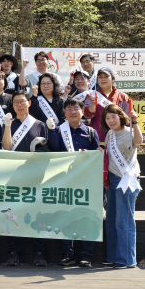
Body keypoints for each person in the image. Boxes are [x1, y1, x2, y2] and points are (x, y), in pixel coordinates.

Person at [2, 90, 59, 266]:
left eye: (22, 101)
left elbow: (53, 149)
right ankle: (13, 252)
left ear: (29, 103)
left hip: (36, 176)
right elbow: (6, 147)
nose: (19, 104)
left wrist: (52, 130)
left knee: (37, 214)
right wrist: (7, 127)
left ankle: (39, 252)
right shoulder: (8, 123)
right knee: (13, 213)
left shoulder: (40, 124)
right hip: (14, 176)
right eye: (16, 102)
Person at [55, 97, 103, 267]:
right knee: (65, 216)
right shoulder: (59, 131)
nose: (72, 111)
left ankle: (86, 255)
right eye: (68, 109)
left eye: (75, 108)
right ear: (64, 113)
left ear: (82, 112)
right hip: (65, 181)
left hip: (86, 182)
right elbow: (53, 154)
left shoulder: (91, 132)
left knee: (87, 216)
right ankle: (68, 254)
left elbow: (96, 159)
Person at [101, 104, 142, 269]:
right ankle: (113, 256)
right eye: (107, 117)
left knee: (123, 220)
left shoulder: (129, 131)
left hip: (126, 180)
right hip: (112, 179)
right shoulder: (110, 133)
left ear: (120, 116)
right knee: (111, 219)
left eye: (113, 116)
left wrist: (136, 122)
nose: (111, 120)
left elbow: (138, 142)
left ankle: (126, 259)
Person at [83, 67, 130, 144]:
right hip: (97, 140)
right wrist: (93, 104)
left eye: (106, 76)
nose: (103, 79)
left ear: (112, 79)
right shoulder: (90, 96)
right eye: (100, 77)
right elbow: (87, 115)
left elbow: (128, 119)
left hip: (119, 139)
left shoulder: (123, 97)